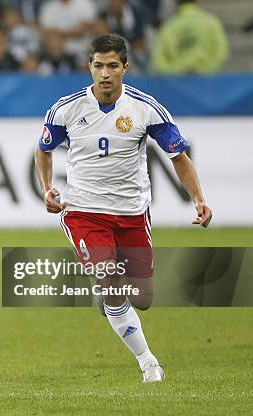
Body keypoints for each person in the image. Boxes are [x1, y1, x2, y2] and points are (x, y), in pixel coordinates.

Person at [34, 34, 212, 382]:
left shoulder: (145, 109)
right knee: (112, 278)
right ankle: (148, 363)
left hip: (132, 213)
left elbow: (178, 157)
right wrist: (47, 189)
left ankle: (109, 292)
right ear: (89, 66)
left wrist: (199, 199)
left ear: (125, 68)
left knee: (142, 298)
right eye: (98, 65)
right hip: (83, 211)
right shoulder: (66, 109)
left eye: (112, 66)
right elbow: (43, 149)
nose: (104, 73)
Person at [152, 0, 229, 74]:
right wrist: (207, 70)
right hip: (206, 80)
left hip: (177, 82)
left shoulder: (169, 25)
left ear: (177, 5)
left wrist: (174, 73)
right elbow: (221, 52)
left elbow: (159, 59)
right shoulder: (212, 21)